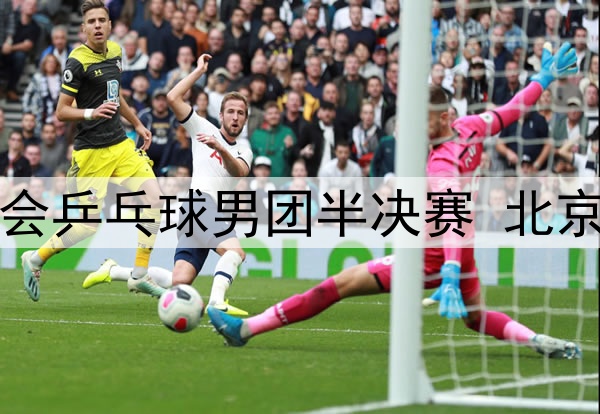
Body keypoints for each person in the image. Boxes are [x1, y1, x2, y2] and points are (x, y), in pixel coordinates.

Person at [206, 43, 583, 361]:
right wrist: (543, 79)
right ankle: (539, 340)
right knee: (476, 317)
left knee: (337, 285)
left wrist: (450, 271)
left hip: (430, 255)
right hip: (459, 250)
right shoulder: (470, 127)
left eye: (424, 120)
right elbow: (512, 109)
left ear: (443, 118)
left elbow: (452, 219)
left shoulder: (441, 165)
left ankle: (246, 329)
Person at [20, 0, 165, 302]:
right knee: (87, 225)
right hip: (91, 153)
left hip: (120, 145)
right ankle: (35, 258)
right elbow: (61, 111)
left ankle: (139, 274)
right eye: (91, 21)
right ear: (84, 28)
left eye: (102, 20)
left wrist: (137, 124)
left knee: (155, 198)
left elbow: (116, 95)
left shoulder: (115, 52)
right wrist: (91, 113)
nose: (97, 25)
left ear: (110, 25)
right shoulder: (76, 62)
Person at [166, 53, 253, 316]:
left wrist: (221, 148)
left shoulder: (245, 149)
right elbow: (173, 98)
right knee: (235, 253)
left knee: (180, 282)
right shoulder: (203, 127)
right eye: (231, 112)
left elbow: (238, 171)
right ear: (221, 115)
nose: (235, 117)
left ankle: (121, 272)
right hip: (199, 203)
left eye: (240, 113)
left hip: (202, 212)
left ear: (245, 119)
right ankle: (217, 302)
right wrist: (198, 72)